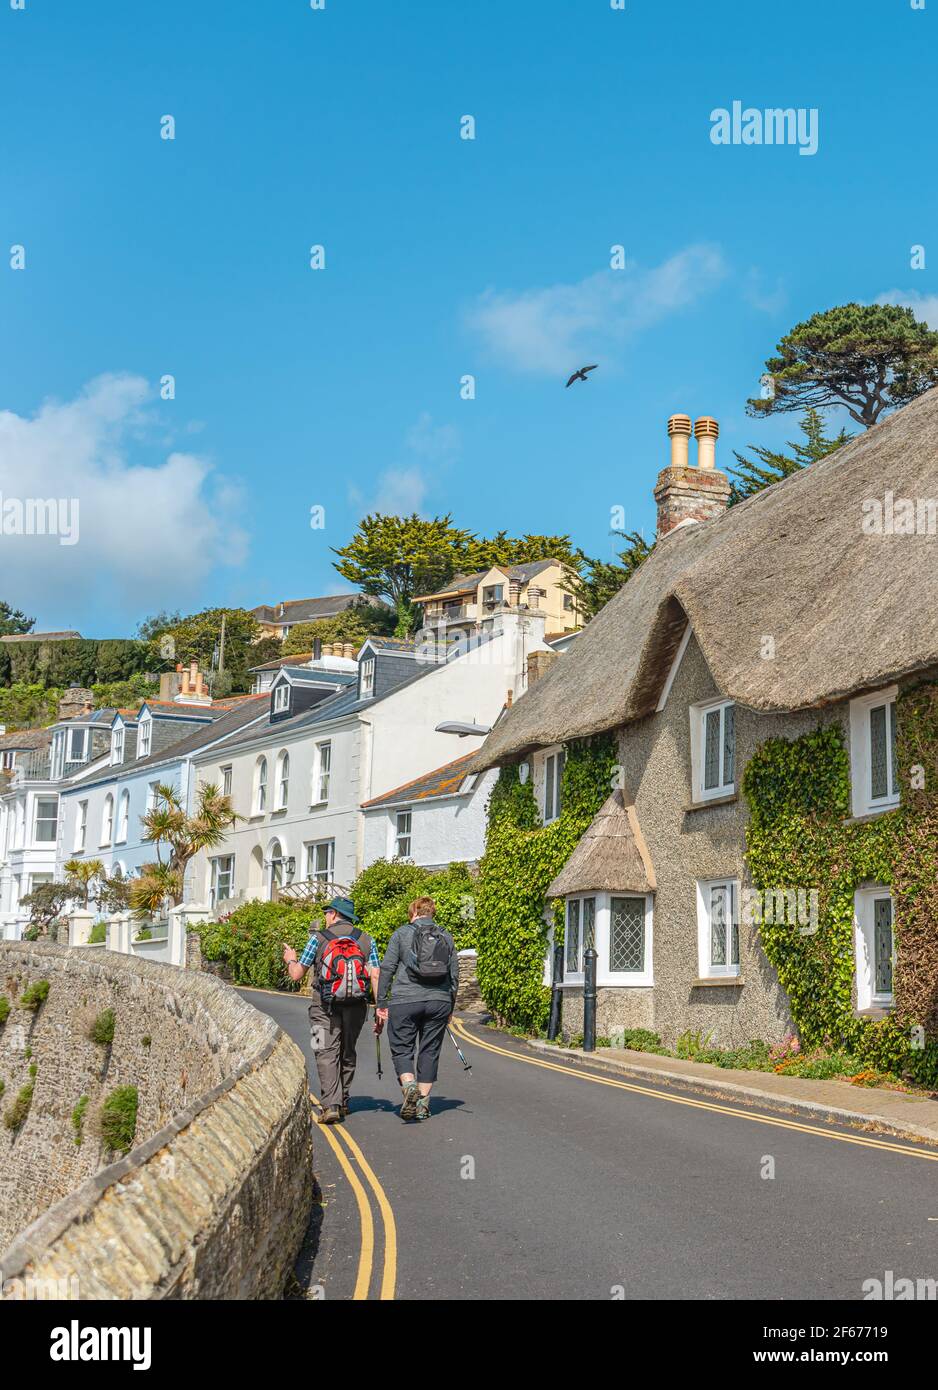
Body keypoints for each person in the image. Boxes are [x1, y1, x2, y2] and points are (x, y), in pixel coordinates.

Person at [282, 895, 382, 1125]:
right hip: (357, 1006)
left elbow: (297, 974)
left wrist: (290, 959)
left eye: (327, 912)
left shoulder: (318, 938)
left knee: (322, 1050)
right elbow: (375, 974)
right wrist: (380, 1008)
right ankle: (344, 1099)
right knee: (348, 1050)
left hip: (321, 1007)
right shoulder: (366, 939)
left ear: (334, 914)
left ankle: (330, 1105)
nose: (325, 916)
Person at [376, 896, 459, 1122]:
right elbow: (454, 975)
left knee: (402, 1047)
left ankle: (409, 1085)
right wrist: (450, 1005)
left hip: (405, 1000)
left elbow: (387, 969)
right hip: (439, 1001)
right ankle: (422, 1104)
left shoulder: (401, 934)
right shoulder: (446, 936)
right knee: (429, 1050)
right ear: (432, 913)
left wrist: (381, 1002)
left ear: (413, 913)